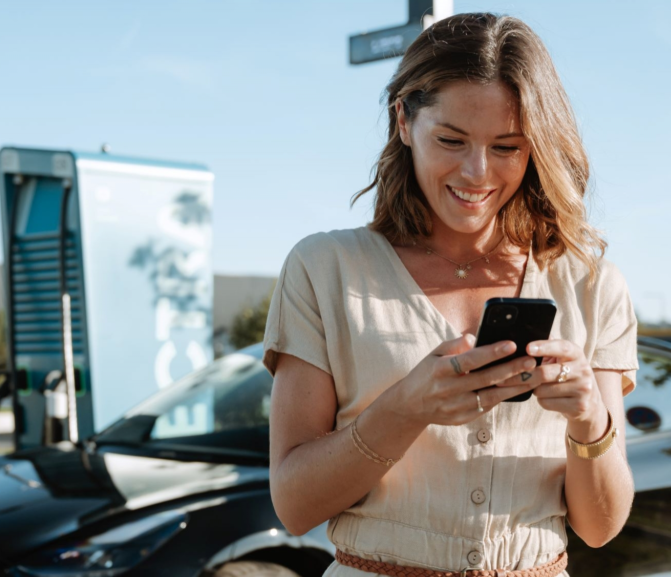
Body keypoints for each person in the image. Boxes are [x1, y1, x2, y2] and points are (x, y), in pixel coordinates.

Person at [262, 12, 639, 577]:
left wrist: (590, 423)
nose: (478, 172)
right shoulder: (324, 268)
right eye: (451, 140)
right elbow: (294, 507)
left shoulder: (591, 285)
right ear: (402, 121)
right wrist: (404, 409)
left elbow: (600, 527)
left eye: (508, 147)